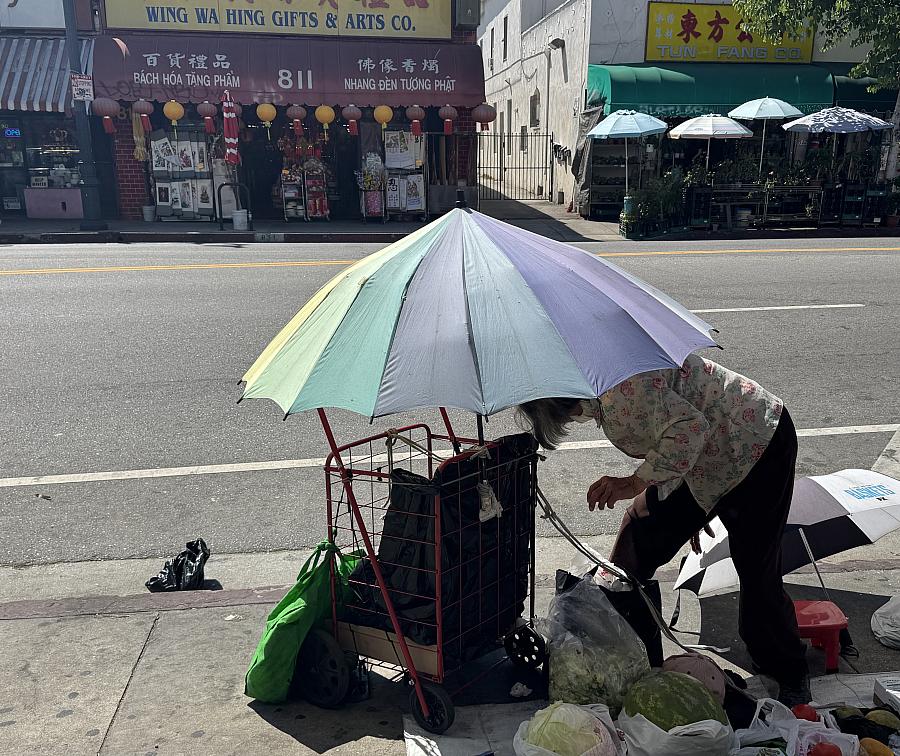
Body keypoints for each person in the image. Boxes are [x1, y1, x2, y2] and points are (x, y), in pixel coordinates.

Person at [517, 353, 810, 705]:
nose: (573, 422)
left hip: (756, 443)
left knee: (757, 568)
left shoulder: (619, 392)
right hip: (705, 458)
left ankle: (788, 669)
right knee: (640, 532)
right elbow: (673, 434)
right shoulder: (602, 394)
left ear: (566, 402)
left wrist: (632, 483)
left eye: (565, 417)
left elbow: (689, 430)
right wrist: (691, 509)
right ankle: (628, 649)